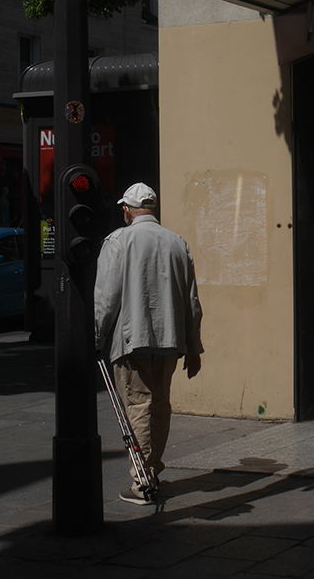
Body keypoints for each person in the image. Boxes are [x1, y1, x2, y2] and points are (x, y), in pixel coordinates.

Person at [94, 182, 204, 505]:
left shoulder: (118, 240)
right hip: (170, 342)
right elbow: (191, 302)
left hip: (133, 341)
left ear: (126, 210)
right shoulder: (177, 243)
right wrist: (194, 348)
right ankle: (151, 470)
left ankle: (142, 482)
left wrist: (96, 337)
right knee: (159, 407)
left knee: (138, 407)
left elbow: (105, 298)